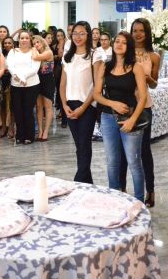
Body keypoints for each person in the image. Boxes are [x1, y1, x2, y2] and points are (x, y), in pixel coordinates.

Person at [93, 31, 148, 202]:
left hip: (130, 116)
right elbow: (96, 94)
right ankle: (114, 199)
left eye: (124, 42)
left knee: (133, 162)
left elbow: (143, 97)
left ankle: (139, 201)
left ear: (129, 46)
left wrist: (133, 120)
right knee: (112, 161)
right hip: (108, 117)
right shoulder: (105, 66)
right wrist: (113, 103)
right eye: (117, 41)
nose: (119, 44)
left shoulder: (136, 67)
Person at [121, 18, 160, 207]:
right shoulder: (124, 53)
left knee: (144, 151)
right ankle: (120, 188)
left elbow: (154, 84)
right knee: (122, 151)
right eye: (135, 30)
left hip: (144, 106)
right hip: (124, 105)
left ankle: (150, 190)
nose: (137, 34)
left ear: (147, 33)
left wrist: (147, 78)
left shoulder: (154, 56)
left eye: (141, 30)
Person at [60, 21, 96, 183]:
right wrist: (64, 105)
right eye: (75, 33)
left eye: (82, 33)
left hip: (87, 106)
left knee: (84, 144)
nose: (78, 37)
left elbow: (96, 86)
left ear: (88, 35)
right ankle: (87, 183)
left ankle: (78, 182)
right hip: (70, 105)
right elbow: (62, 84)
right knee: (79, 146)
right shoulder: (67, 57)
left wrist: (83, 107)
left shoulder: (94, 55)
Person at [7, 30, 41, 145]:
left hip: (32, 85)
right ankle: (19, 136)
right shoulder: (13, 52)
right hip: (16, 85)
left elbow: (35, 68)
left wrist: (23, 78)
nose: (24, 40)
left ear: (30, 40)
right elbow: (10, 66)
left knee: (28, 110)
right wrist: (19, 78)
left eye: (26, 38)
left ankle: (29, 136)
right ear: (18, 40)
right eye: (22, 38)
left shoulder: (34, 51)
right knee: (18, 111)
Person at [33, 35, 55, 142]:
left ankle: (46, 131)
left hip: (48, 80)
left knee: (48, 106)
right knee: (39, 106)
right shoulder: (36, 52)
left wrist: (32, 49)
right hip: (37, 80)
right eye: (34, 43)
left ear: (42, 42)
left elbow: (35, 57)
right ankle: (40, 131)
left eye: (38, 42)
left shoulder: (48, 52)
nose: (36, 45)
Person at [0, 36, 15, 139]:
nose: (7, 45)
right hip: (2, 80)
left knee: (12, 105)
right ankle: (4, 126)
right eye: (5, 43)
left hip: (13, 80)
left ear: (13, 44)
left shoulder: (17, 54)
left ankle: (11, 126)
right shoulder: (0, 55)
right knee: (2, 105)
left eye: (9, 43)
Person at [54, 28, 68, 128]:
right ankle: (61, 112)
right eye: (58, 36)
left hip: (64, 69)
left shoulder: (67, 44)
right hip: (56, 71)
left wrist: (62, 43)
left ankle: (64, 119)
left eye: (61, 35)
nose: (59, 37)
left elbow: (61, 55)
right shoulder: (54, 45)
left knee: (63, 93)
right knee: (58, 94)